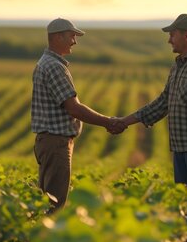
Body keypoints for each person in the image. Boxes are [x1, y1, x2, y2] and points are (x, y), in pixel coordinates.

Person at [120, 14, 187, 242]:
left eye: (172, 34)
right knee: (185, 201)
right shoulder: (179, 65)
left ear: (186, 35)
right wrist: (126, 121)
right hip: (181, 146)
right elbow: (163, 102)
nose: (169, 40)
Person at [31, 18, 126, 212]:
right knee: (54, 204)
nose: (75, 41)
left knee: (47, 201)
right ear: (58, 37)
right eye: (72, 36)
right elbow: (74, 108)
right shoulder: (55, 67)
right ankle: (49, 240)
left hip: (50, 141)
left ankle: (39, 239)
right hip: (56, 142)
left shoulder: (47, 63)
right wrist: (108, 122)